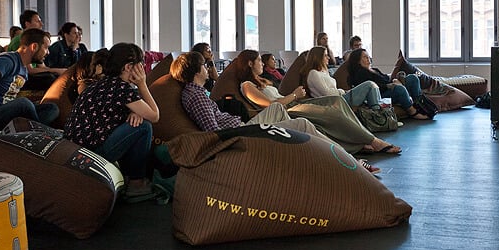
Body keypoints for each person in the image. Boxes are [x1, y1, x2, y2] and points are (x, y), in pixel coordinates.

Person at [171, 51, 386, 172]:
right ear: (195, 70)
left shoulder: (197, 93)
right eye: (204, 65)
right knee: (302, 123)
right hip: (243, 131)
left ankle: (341, 156)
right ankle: (347, 159)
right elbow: (214, 132)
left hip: (255, 121)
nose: (208, 68)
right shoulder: (197, 94)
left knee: (302, 121)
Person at [232, 49, 400, 154]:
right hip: (287, 109)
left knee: (337, 101)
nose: (262, 63)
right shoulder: (247, 85)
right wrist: (295, 95)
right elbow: (270, 105)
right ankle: (373, 141)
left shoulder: (264, 81)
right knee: (331, 113)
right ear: (249, 63)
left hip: (293, 104)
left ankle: (360, 139)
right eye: (259, 60)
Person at [64, 43, 159, 200]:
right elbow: (155, 115)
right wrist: (142, 84)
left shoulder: (103, 83)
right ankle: (136, 183)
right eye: (141, 65)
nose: (143, 69)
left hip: (75, 149)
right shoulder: (121, 89)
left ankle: (129, 177)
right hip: (91, 154)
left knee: (137, 122)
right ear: (129, 67)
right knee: (144, 127)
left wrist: (134, 111)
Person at [0, 28, 60, 129]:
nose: (48, 52)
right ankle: (38, 132)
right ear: (34, 46)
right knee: (24, 103)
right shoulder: (7, 61)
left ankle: (29, 130)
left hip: (6, 113)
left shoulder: (24, 69)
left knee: (51, 108)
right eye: (46, 48)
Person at [347, 48, 431, 120]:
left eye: (368, 56)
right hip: (381, 94)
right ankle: (413, 112)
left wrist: (395, 80)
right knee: (399, 89)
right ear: (358, 61)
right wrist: (390, 85)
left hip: (391, 87)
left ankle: (420, 104)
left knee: (413, 77)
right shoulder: (360, 73)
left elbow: (386, 79)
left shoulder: (375, 69)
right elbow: (371, 87)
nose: (368, 59)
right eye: (365, 57)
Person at [302, 46, 383, 110]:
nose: (328, 58)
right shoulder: (313, 74)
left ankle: (377, 111)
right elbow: (327, 93)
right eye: (325, 55)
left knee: (372, 87)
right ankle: (378, 114)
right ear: (318, 57)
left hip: (339, 98)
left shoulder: (323, 72)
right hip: (335, 101)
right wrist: (342, 91)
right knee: (369, 84)